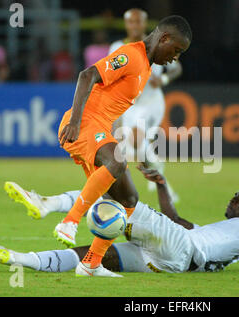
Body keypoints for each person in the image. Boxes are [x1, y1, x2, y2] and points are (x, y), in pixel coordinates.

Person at [0, 164, 239, 277]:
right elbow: (174, 219)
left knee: (120, 199)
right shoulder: (225, 232)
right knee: (92, 254)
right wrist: (160, 184)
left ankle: (49, 204)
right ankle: (17, 259)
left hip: (181, 249)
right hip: (175, 259)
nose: (233, 198)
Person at [53, 15, 192, 277]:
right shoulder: (130, 55)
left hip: (100, 129)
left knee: (128, 198)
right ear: (163, 38)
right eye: (175, 51)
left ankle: (91, 263)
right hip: (83, 125)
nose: (174, 58)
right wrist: (75, 120)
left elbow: (112, 103)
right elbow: (88, 75)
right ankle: (69, 222)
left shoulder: (147, 68)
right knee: (117, 162)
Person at [110, 9, 183, 202]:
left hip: (152, 102)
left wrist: (164, 79)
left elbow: (176, 68)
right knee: (135, 146)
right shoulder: (117, 47)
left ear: (144, 24)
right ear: (126, 25)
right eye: (131, 22)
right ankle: (159, 175)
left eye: (138, 22)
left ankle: (157, 173)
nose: (135, 26)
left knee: (135, 138)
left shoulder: (158, 43)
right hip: (131, 104)